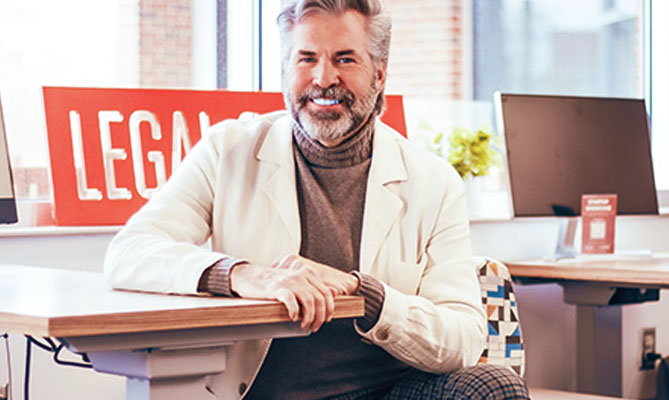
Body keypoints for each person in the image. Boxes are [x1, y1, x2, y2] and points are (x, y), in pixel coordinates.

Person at [104, 0, 529, 399]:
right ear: (286, 70)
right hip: (267, 392)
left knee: (495, 385)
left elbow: (463, 337)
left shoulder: (433, 181)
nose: (324, 79)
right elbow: (130, 252)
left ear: (379, 73)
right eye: (306, 59)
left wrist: (366, 295)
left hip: (389, 391)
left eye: (345, 58)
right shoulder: (227, 151)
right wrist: (243, 275)